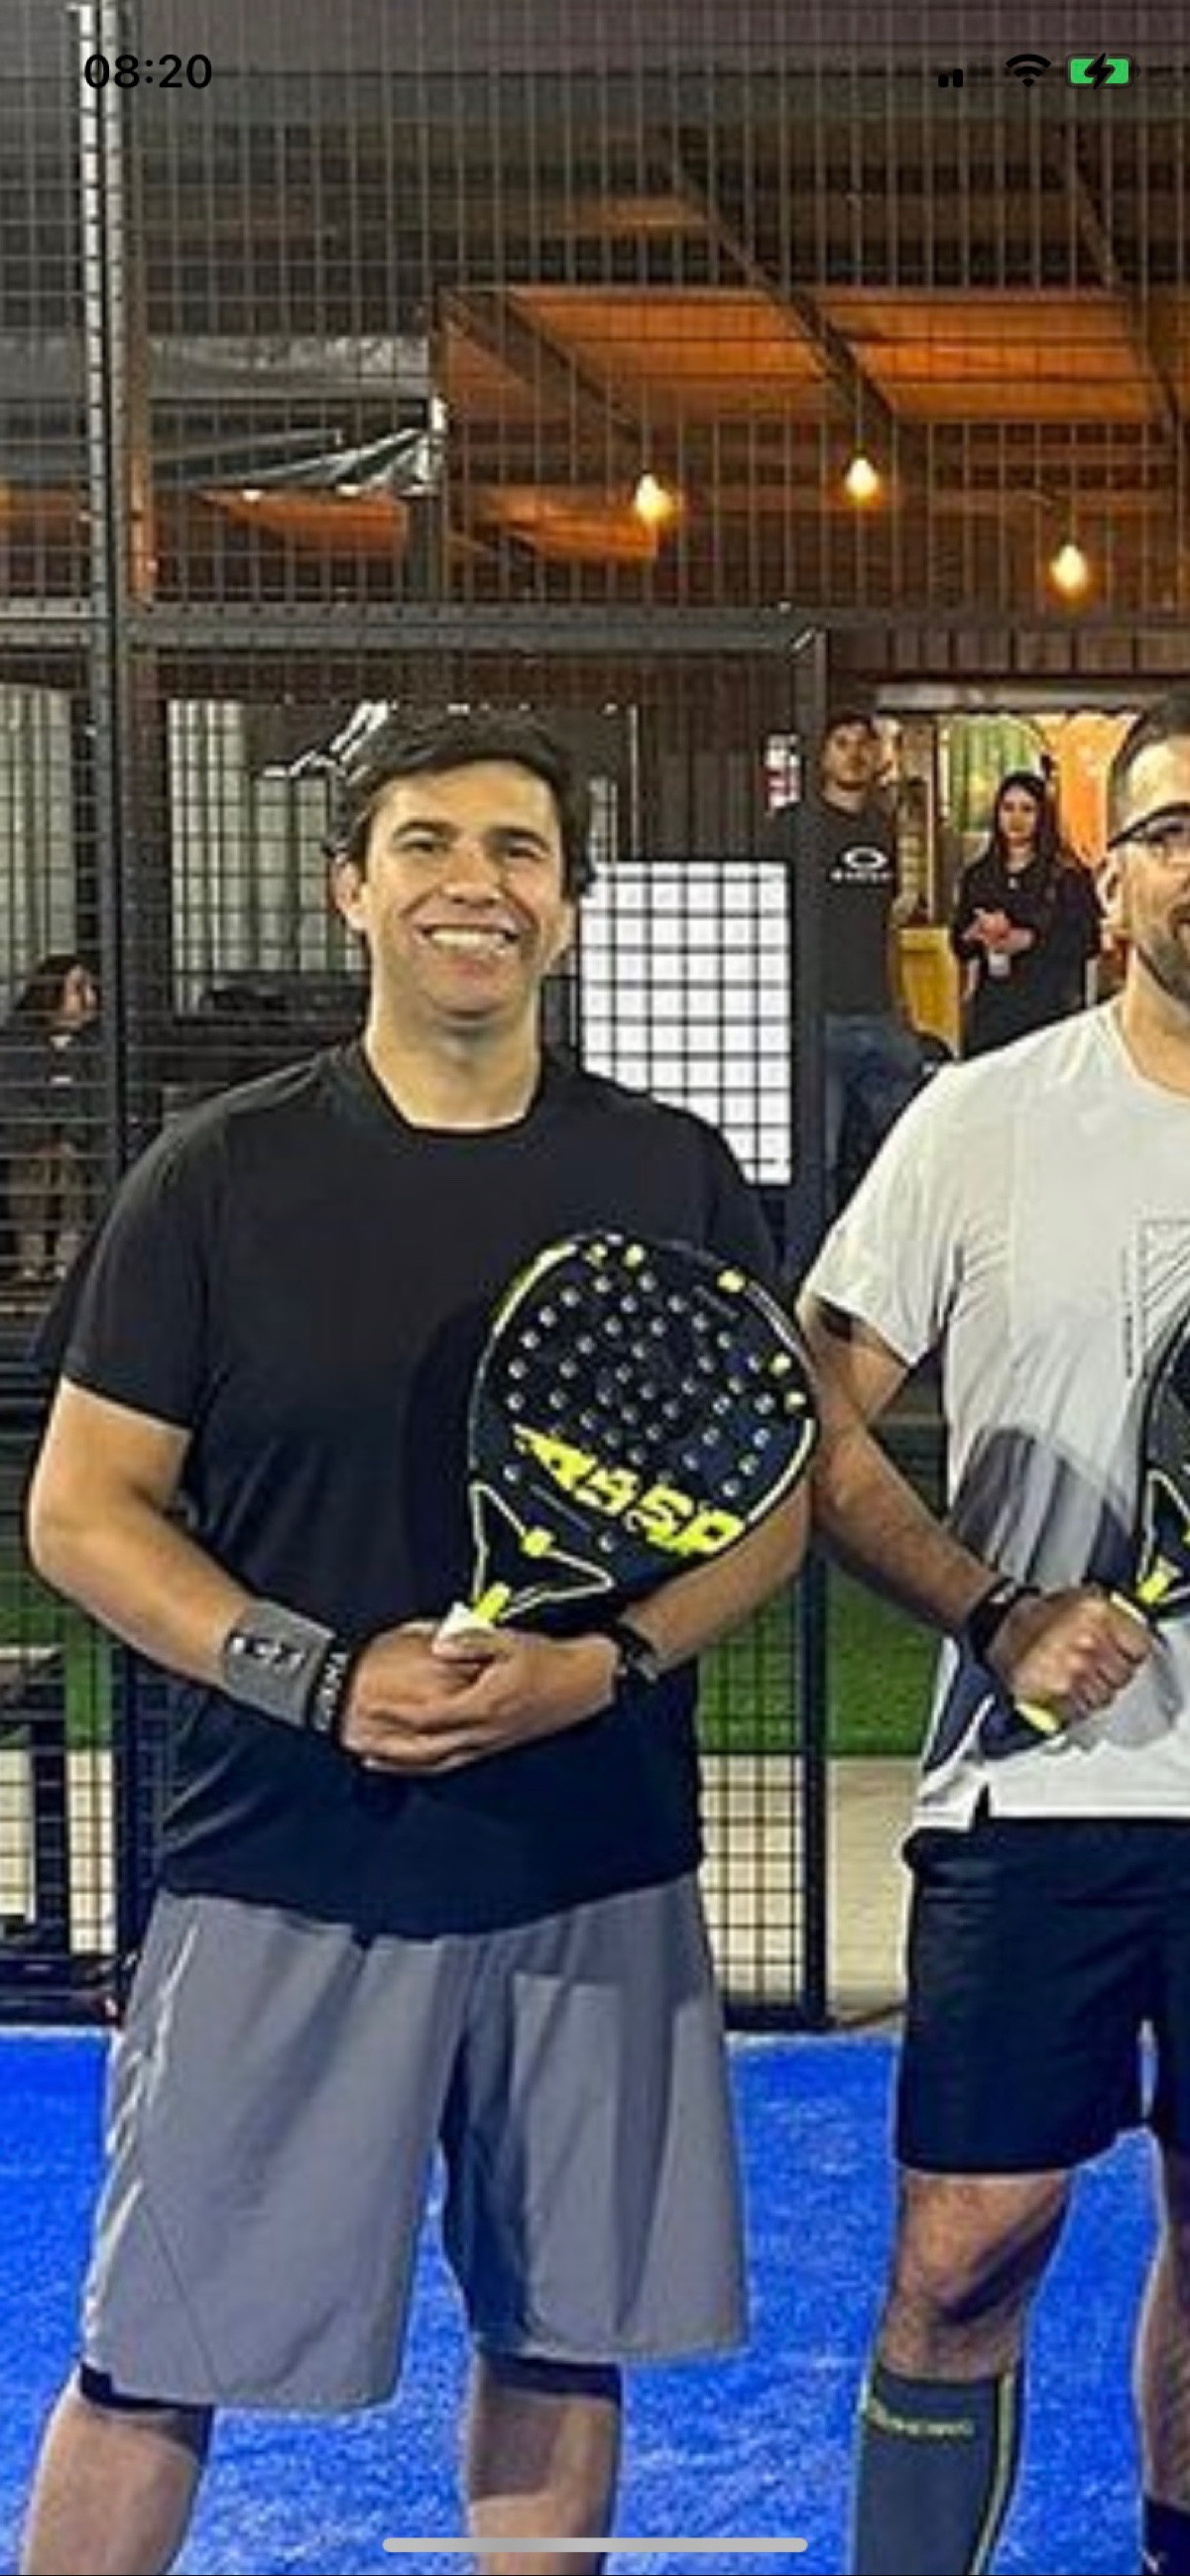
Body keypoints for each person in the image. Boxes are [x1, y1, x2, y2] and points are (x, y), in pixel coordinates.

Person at [17, 711, 809, 2576]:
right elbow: (85, 1511)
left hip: (591, 1858)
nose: (477, 883)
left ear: (568, 907)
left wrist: (605, 1666)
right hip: (286, 1862)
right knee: (148, 2361)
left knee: (559, 2339)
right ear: (350, 891)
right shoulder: (218, 1176)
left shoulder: (669, 1171)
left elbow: (768, 1503)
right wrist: (316, 1676)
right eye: (430, 844)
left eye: (519, 849)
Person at [797, 689, 1190, 2576]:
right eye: (1175, 832)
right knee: (964, 2251)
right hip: (1032, 1804)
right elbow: (814, 1414)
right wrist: (997, 1608)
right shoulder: (979, 1119)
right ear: (1113, 883)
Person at [761, 708, 921, 1209]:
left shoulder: (884, 827)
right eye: (842, 743)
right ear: (822, 755)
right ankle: (814, 1254)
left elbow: (888, 924)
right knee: (818, 1160)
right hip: (816, 1015)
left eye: (863, 744)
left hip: (880, 1012)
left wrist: (903, 1006)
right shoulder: (793, 826)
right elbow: (766, 911)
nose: (854, 754)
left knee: (908, 1154)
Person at [950, 767, 1102, 1056]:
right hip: (993, 1015)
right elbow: (959, 943)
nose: (1016, 819)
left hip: (1049, 1014)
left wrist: (1028, 940)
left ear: (1042, 816)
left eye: (1027, 809)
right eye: (1008, 808)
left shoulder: (1067, 875)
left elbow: (1088, 940)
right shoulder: (979, 875)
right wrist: (975, 934)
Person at [0, 954, 101, 1294]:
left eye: (91, 988)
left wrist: (70, 1138)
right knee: (31, 1177)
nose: (90, 999)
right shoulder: (16, 1043)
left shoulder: (93, 1046)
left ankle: (66, 1262)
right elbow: (12, 1097)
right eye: (78, 989)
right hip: (28, 1143)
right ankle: (30, 1264)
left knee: (74, 1177)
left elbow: (92, 1099)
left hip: (78, 1145)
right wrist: (41, 1137)